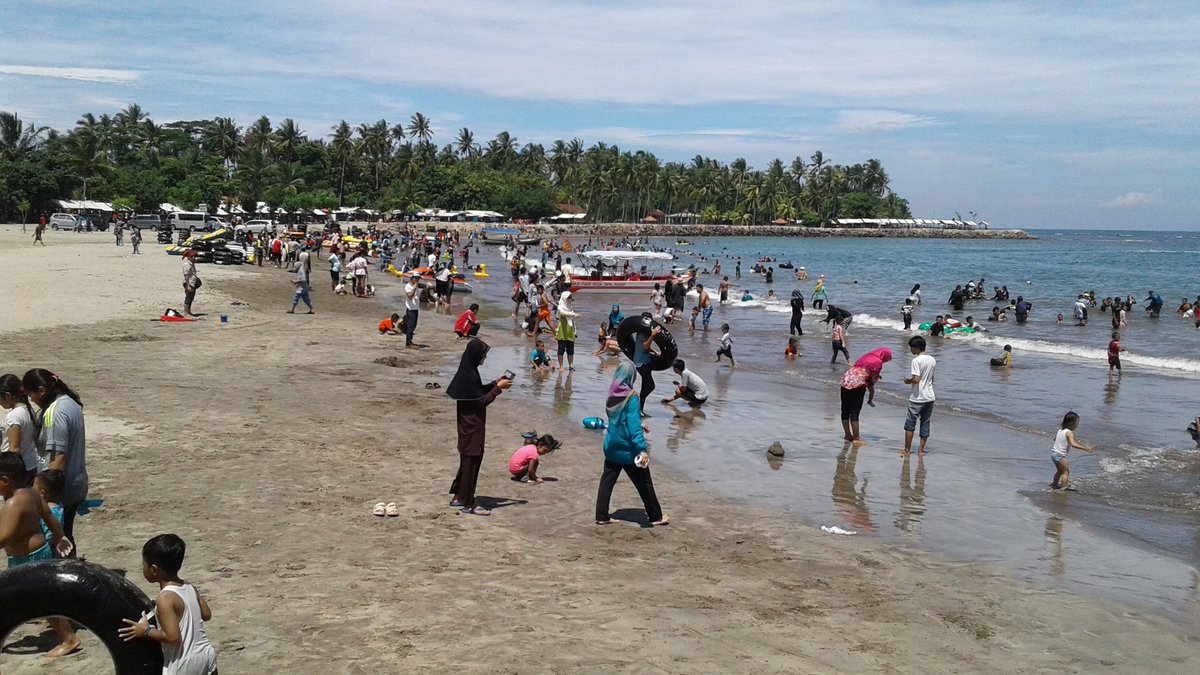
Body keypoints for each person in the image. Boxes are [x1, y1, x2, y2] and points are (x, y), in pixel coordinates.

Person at [0, 455, 75, 658]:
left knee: (43, 601)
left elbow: (4, 536)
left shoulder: (13, 504)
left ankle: (70, 639)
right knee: (12, 598)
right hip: (34, 555)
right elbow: (48, 516)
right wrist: (60, 537)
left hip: (28, 560)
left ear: (5, 481)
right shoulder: (32, 494)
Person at [118, 534, 218, 675]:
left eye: (143, 564)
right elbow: (206, 615)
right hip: (206, 655)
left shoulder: (165, 598)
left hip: (183, 664)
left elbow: (172, 637)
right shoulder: (189, 587)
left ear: (154, 569)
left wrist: (145, 631)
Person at [595, 363, 668, 526]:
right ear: (632, 376)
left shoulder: (612, 394)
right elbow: (633, 428)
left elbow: (617, 420)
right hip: (628, 450)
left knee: (607, 482)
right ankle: (656, 517)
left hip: (611, 446)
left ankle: (601, 516)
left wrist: (638, 424)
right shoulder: (632, 397)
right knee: (645, 482)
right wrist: (642, 450)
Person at [22, 369, 86, 551]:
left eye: (31, 395)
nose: (32, 400)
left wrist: (44, 496)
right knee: (67, 534)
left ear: (41, 390)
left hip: (59, 490)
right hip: (75, 484)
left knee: (58, 539)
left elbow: (58, 460)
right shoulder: (71, 403)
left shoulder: (55, 413)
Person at [446, 339, 512, 516]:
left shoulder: (467, 372)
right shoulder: (469, 374)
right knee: (472, 463)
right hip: (472, 427)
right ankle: (469, 503)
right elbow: (481, 401)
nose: (484, 358)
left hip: (466, 426)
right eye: (483, 355)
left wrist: (493, 384)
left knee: (467, 463)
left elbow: (475, 393)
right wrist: (497, 389)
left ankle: (459, 497)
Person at [839, 348, 891, 447]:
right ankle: (856, 438)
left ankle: (847, 434)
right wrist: (872, 389)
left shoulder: (867, 356)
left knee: (845, 409)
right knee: (854, 411)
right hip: (857, 384)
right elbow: (872, 379)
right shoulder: (878, 362)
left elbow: (862, 368)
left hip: (846, 379)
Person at [898, 336, 935, 456]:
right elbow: (930, 379)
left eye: (912, 348)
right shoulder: (932, 359)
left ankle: (907, 450)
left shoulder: (916, 360)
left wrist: (908, 381)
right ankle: (921, 450)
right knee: (925, 423)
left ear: (917, 347)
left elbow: (917, 379)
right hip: (930, 396)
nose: (911, 350)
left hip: (918, 397)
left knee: (910, 423)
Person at [0, 373, 39, 484]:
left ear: (7, 396)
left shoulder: (13, 416)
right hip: (31, 464)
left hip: (17, 470)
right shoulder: (29, 410)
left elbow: (14, 449)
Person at [1050, 411, 1093, 490]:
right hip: (1060, 456)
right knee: (1065, 472)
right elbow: (1073, 444)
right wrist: (1086, 448)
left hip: (1054, 454)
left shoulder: (1060, 430)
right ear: (1072, 423)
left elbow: (1054, 439)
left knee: (1059, 471)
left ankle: (1054, 485)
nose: (1077, 425)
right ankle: (1064, 488)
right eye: (1077, 423)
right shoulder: (1069, 433)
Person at [632, 321, 660, 416]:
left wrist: (655, 352)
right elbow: (645, 346)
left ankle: (640, 410)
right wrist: (652, 335)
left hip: (646, 362)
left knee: (644, 386)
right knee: (650, 386)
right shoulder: (641, 334)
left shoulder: (645, 332)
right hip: (641, 364)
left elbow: (644, 347)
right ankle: (637, 406)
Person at [403, 271, 420, 348]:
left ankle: (410, 341)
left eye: (418, 278)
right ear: (412, 278)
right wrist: (414, 288)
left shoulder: (415, 286)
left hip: (415, 308)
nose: (417, 280)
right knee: (410, 326)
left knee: (413, 326)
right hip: (410, 308)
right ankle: (408, 343)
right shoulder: (408, 286)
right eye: (416, 278)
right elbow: (410, 296)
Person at [182, 250, 200, 317]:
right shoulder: (187, 265)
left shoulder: (191, 264)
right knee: (188, 298)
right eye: (192, 256)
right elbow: (186, 275)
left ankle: (189, 311)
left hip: (192, 283)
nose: (194, 257)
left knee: (191, 298)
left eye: (194, 256)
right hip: (189, 283)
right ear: (188, 257)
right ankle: (186, 312)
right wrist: (188, 285)